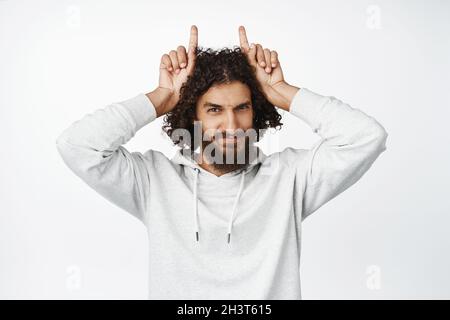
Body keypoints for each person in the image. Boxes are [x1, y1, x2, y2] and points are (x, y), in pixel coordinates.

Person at [56, 25, 388, 299]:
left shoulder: (289, 178)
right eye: (214, 109)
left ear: (256, 111)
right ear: (192, 115)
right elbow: (77, 145)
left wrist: (281, 90)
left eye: (242, 108)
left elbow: (365, 137)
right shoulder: (153, 181)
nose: (231, 126)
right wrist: (164, 97)